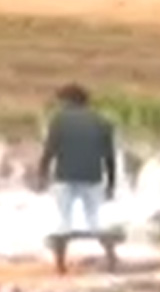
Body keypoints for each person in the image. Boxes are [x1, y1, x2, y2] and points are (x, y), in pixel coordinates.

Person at [37, 83, 117, 273]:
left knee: (64, 221)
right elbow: (109, 156)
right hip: (93, 176)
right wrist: (111, 183)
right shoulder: (102, 121)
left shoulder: (59, 120)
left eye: (61, 101)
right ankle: (111, 258)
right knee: (95, 221)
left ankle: (60, 265)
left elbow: (50, 149)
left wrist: (42, 172)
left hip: (65, 176)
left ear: (67, 100)